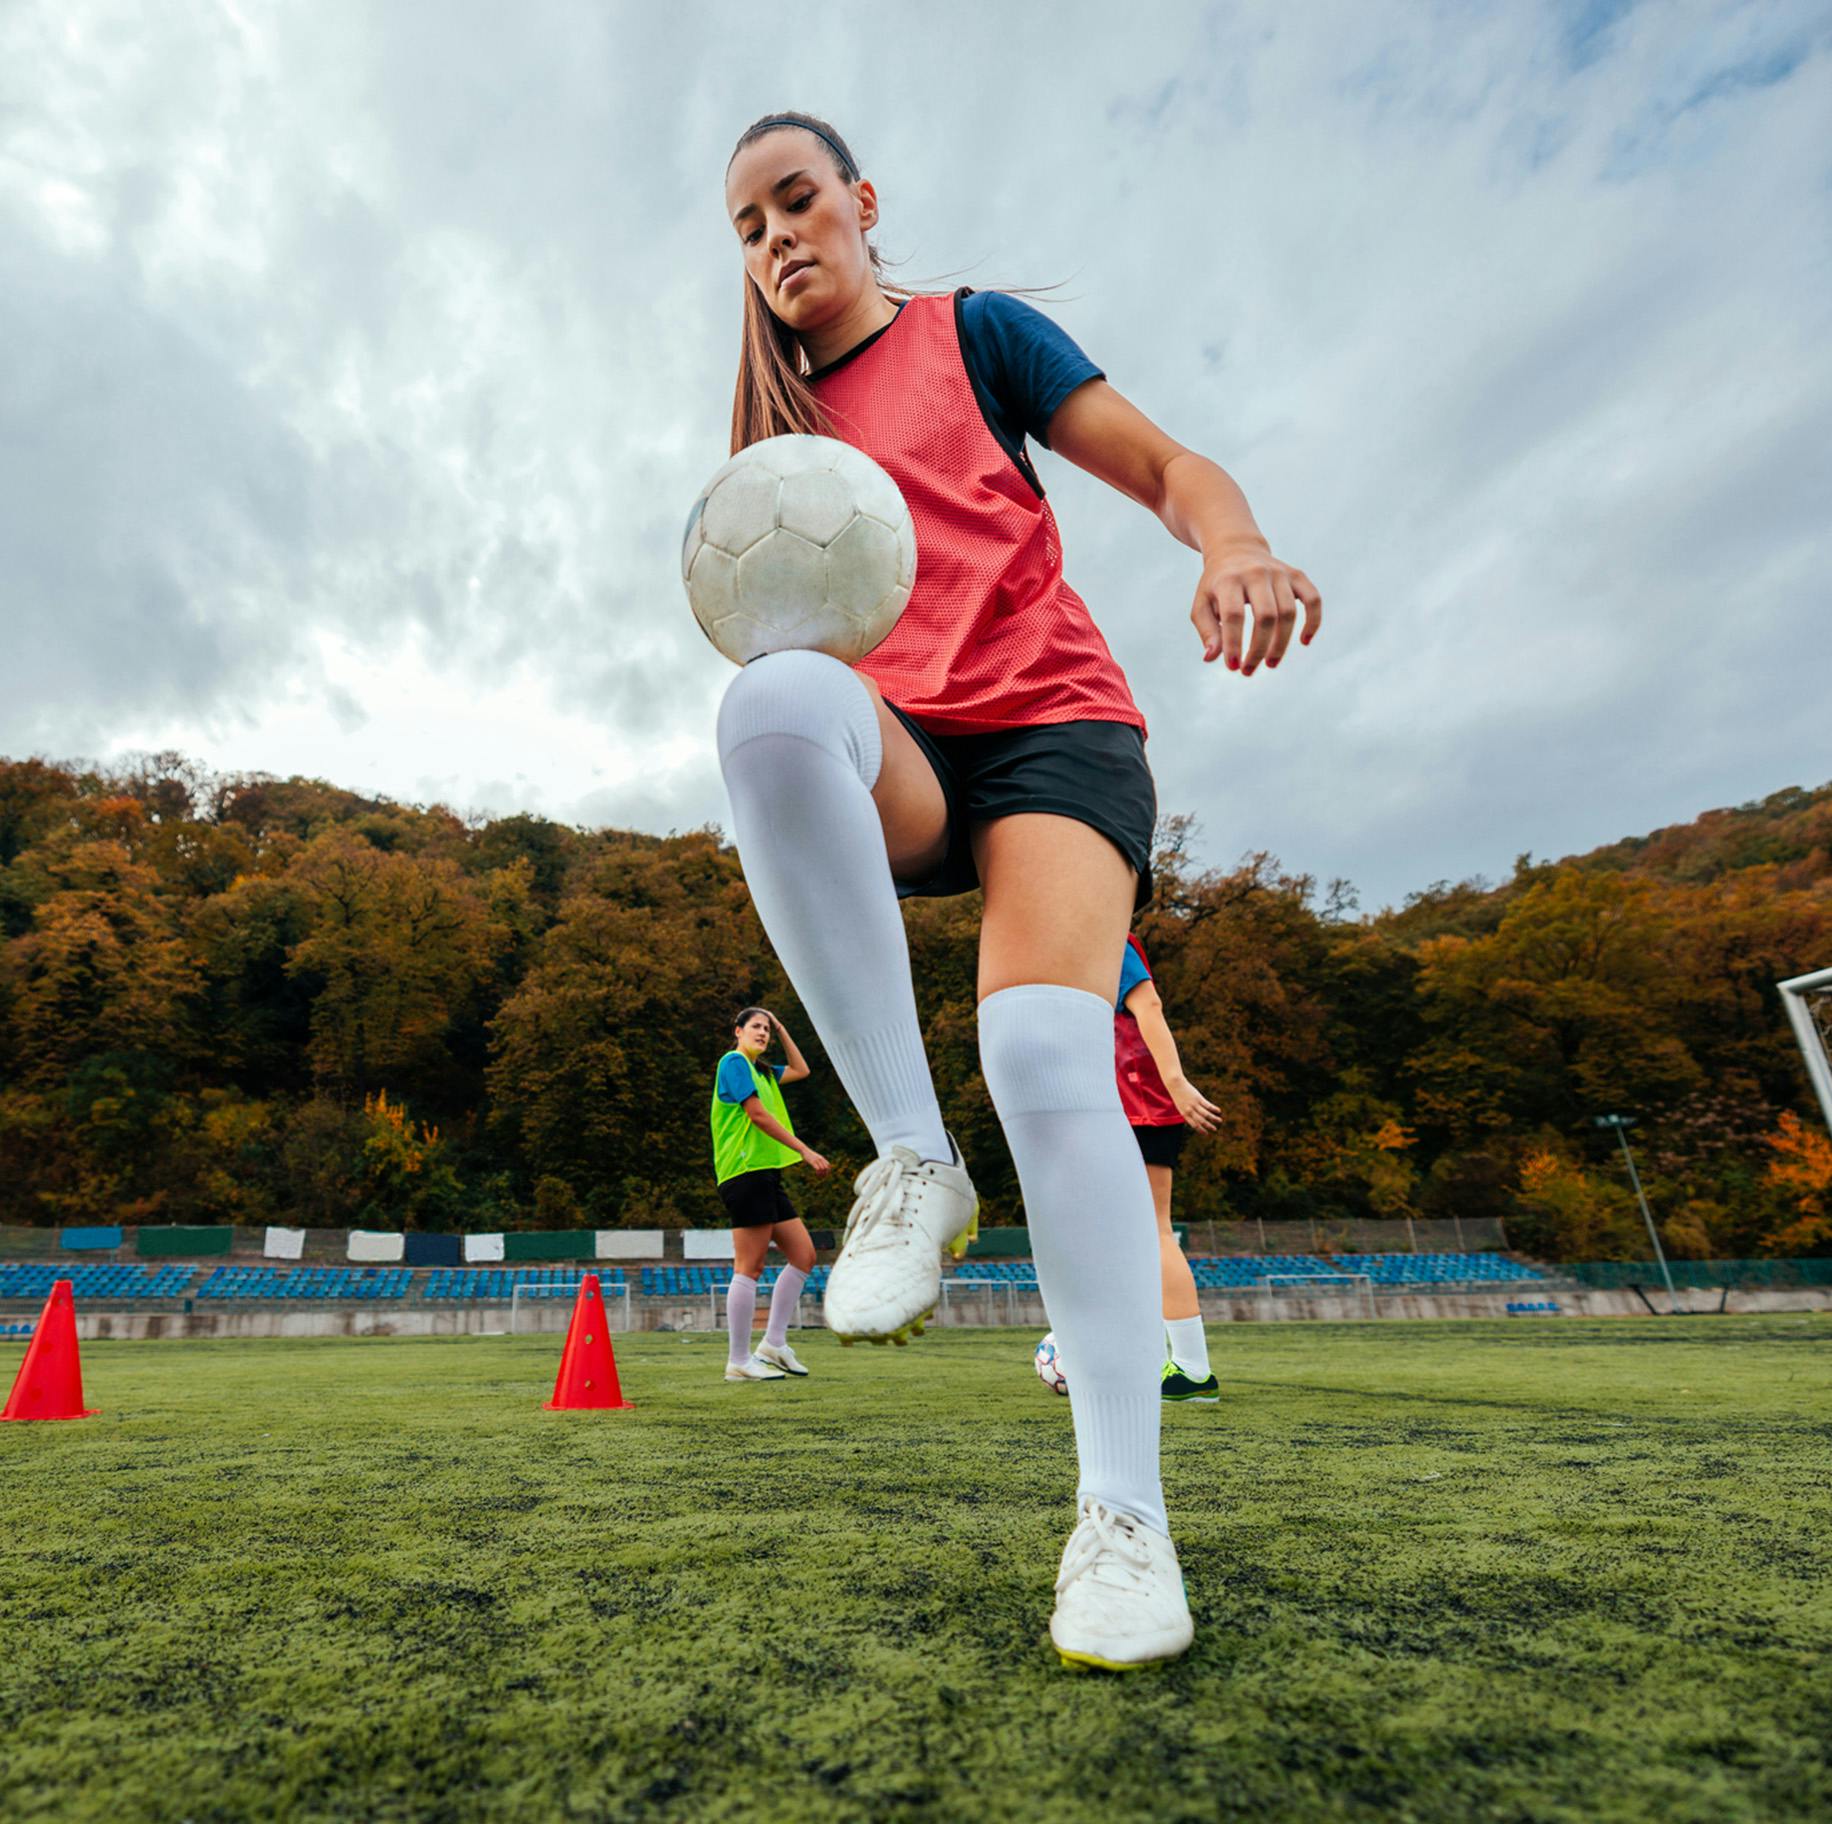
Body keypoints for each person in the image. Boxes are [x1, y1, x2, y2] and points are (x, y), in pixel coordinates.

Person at [716, 112, 1320, 1667]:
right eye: (747, 225)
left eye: (799, 202)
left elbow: (1169, 462)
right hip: (909, 752)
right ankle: (912, 1161)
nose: (780, 237)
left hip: (1056, 734)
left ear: (861, 204)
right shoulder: (772, 444)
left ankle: (1123, 1522)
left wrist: (1232, 539)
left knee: (1047, 1055)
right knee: (767, 710)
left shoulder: (978, 336)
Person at [1115, 933, 1223, 1402]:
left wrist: (1176, 1083)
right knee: (1122, 1237)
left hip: (1139, 1105)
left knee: (1153, 1230)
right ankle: (1147, 1357)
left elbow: (1149, 1005)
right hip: (1115, 1107)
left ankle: (1193, 1370)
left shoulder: (1109, 938)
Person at [711, 1007, 831, 1381]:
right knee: (750, 1267)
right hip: (744, 1172)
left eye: (767, 1029)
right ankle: (738, 1360)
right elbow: (758, 1115)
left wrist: (782, 1026)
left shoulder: (763, 1071)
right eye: (756, 1027)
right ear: (738, 1031)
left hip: (766, 1175)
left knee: (804, 1255)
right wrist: (804, 1150)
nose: (762, 1033)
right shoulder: (734, 1063)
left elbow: (802, 1069)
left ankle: (774, 1344)